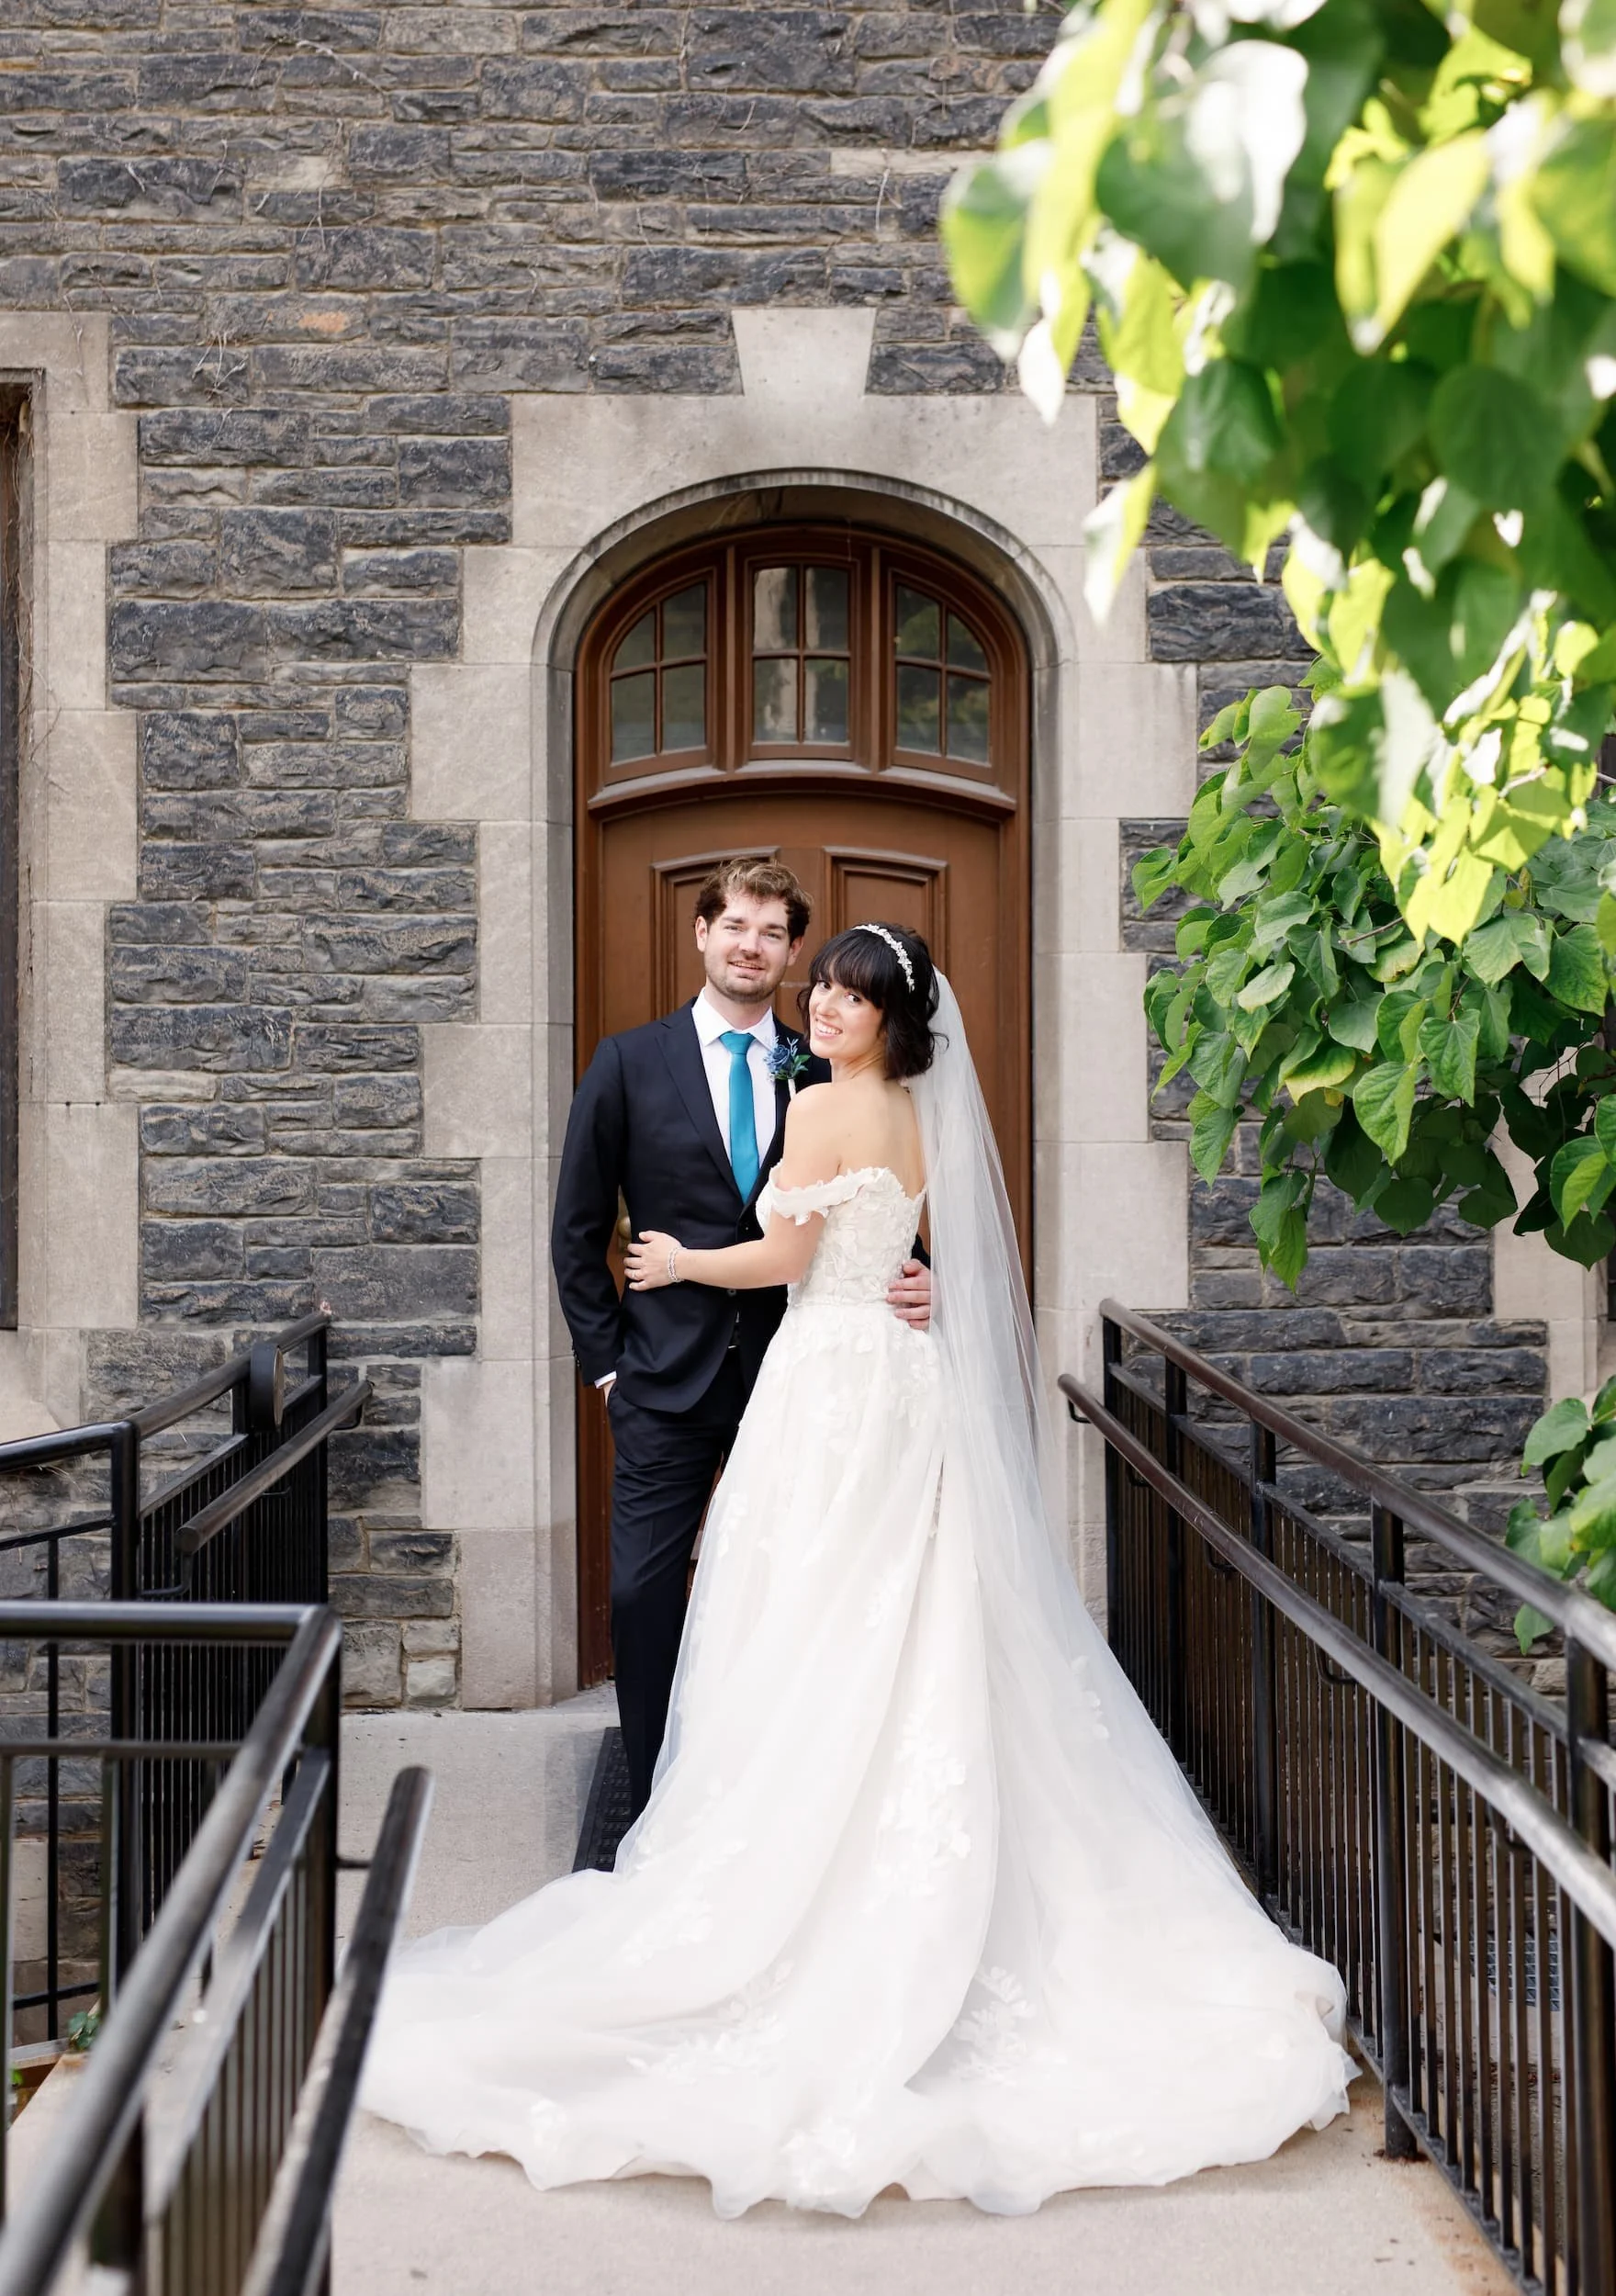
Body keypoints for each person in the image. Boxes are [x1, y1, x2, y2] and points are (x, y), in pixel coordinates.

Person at [363, 920, 1352, 2218]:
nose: (824, 1003)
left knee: (813, 1613)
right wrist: (914, 1280)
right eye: (821, 983)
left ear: (889, 1017)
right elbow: (908, 1246)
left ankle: (792, 1867)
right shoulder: (920, 1116)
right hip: (895, 1389)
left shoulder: (826, 1106)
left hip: (827, 1383)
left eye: (848, 992)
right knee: (898, 1612)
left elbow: (786, 1260)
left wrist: (675, 1261)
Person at [548, 856, 931, 1816]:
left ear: (792, 950)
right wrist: (606, 1372)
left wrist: (926, 1276)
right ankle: (649, 1799)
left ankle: (783, 1796)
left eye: (771, 933)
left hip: (798, 1375)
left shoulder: (827, 1063)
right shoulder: (626, 1063)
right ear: (702, 933)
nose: (751, 946)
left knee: (792, 1590)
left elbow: (873, 1211)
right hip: (659, 1382)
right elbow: (575, 1229)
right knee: (642, 1595)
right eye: (735, 926)